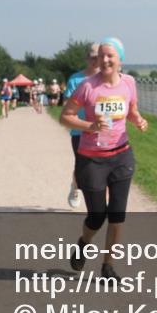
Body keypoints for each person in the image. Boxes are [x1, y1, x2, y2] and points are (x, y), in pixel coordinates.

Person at [60, 37, 147, 280]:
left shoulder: (129, 83)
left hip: (121, 155)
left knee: (118, 213)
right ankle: (83, 243)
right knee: (97, 215)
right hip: (92, 159)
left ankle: (108, 266)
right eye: (101, 56)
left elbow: (131, 110)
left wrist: (138, 120)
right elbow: (65, 117)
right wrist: (90, 125)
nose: (105, 60)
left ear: (120, 59)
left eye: (110, 56)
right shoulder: (88, 86)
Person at [64, 43, 102, 208]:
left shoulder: (108, 78)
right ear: (87, 58)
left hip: (103, 132)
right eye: (92, 58)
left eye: (98, 57)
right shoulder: (76, 79)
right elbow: (67, 104)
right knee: (82, 166)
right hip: (80, 131)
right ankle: (75, 187)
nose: (96, 61)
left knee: (104, 166)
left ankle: (101, 202)